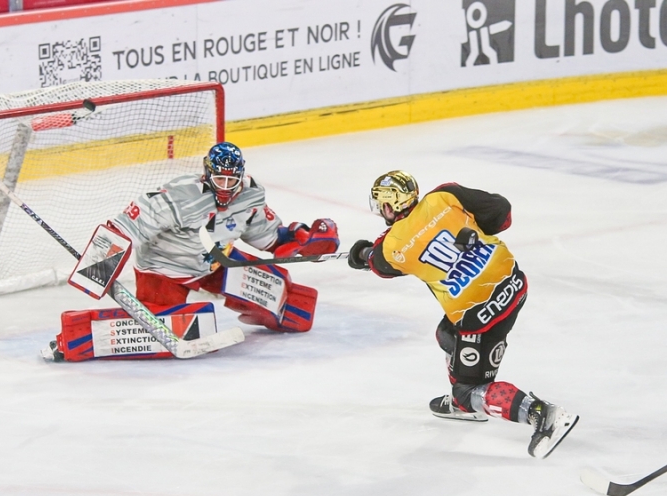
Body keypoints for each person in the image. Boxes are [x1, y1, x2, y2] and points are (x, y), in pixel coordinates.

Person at [347, 170, 578, 459]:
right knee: (447, 333)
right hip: (514, 283)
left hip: (480, 317)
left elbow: (379, 264)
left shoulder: (392, 246)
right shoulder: (445, 196)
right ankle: (466, 403)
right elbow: (501, 212)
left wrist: (361, 254)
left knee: (468, 392)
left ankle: (542, 414)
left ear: (388, 205)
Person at [106, 141, 339, 333]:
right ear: (207, 173)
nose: (226, 187)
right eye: (220, 179)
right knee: (162, 327)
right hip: (165, 270)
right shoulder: (178, 196)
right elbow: (127, 227)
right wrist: (100, 262)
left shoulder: (250, 195)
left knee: (290, 303)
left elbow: (266, 236)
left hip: (217, 261)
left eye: (232, 180)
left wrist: (300, 240)